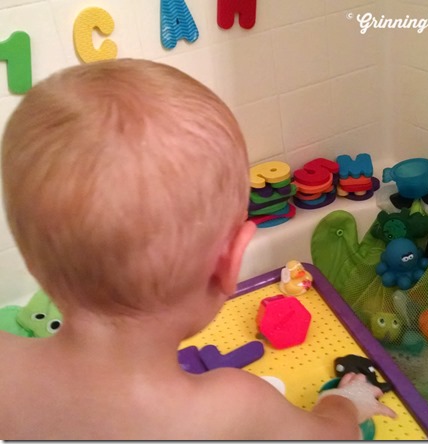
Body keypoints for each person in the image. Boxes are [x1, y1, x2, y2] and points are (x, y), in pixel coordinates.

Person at [0, 59, 395, 440]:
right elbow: (328, 437)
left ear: (33, 262)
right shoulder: (234, 408)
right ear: (230, 263)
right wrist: (344, 403)